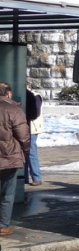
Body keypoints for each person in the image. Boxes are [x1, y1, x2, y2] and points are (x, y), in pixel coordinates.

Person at [0, 82, 31, 237]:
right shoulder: (14, 109)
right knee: (7, 193)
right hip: (8, 157)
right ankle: (2, 225)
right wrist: (25, 151)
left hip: (7, 156)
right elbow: (23, 135)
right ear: (9, 93)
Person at [25, 88, 44, 187]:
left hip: (32, 128)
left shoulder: (35, 96)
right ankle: (25, 177)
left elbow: (35, 113)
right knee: (25, 153)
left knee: (31, 152)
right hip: (28, 127)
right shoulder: (33, 95)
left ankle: (37, 178)